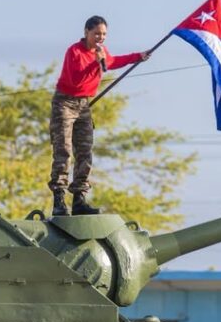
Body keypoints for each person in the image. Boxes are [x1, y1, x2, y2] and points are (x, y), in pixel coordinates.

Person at [48, 15, 150, 216]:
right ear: (86, 32)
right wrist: (97, 62)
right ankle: (59, 199)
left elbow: (113, 62)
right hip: (65, 103)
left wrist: (138, 56)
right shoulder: (74, 52)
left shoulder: (102, 53)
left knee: (85, 150)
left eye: (103, 34)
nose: (100, 37)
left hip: (83, 104)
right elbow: (76, 78)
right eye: (97, 34)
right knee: (64, 150)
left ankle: (79, 198)